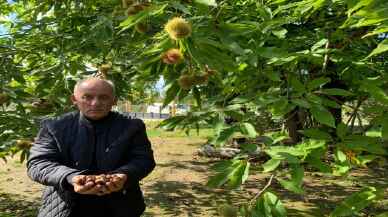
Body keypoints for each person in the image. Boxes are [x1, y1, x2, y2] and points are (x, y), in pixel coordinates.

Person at [27, 77, 155, 217]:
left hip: (120, 206)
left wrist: (124, 175)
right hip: (64, 207)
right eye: (87, 97)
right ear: (74, 99)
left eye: (104, 97)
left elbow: (143, 159)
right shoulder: (54, 127)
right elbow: (38, 163)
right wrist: (71, 177)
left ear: (114, 100)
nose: (95, 103)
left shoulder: (132, 127)